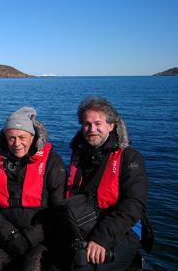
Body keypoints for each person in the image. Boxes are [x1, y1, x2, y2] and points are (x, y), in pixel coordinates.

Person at [64, 97, 153, 270]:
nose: (92, 129)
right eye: (87, 124)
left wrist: (101, 239)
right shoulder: (80, 155)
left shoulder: (130, 158)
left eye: (98, 123)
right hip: (85, 222)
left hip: (122, 230)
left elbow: (133, 204)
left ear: (111, 126)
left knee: (84, 265)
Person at [0, 107, 67, 270]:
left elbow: (58, 208)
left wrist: (29, 237)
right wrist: (8, 234)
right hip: (2, 235)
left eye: (22, 137)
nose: (17, 144)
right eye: (11, 138)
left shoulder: (52, 162)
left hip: (38, 238)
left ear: (32, 137)